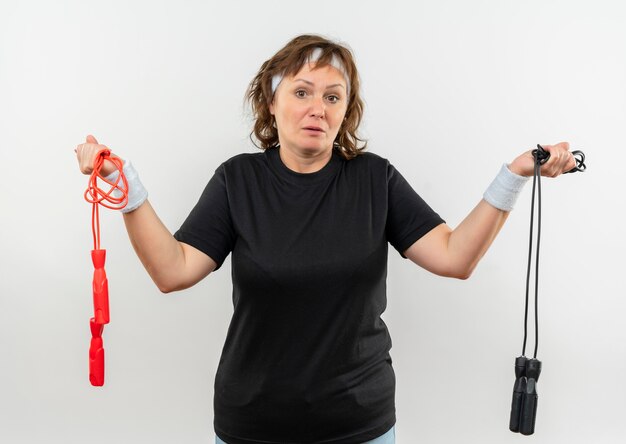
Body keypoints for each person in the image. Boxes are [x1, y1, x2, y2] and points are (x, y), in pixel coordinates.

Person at [75, 34, 576, 444]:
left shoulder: (375, 180)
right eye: (302, 91)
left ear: (345, 112)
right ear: (272, 103)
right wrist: (129, 190)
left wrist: (514, 174)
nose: (318, 107)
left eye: (333, 96)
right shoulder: (237, 181)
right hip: (253, 426)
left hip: (360, 426)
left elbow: (454, 256)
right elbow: (173, 270)